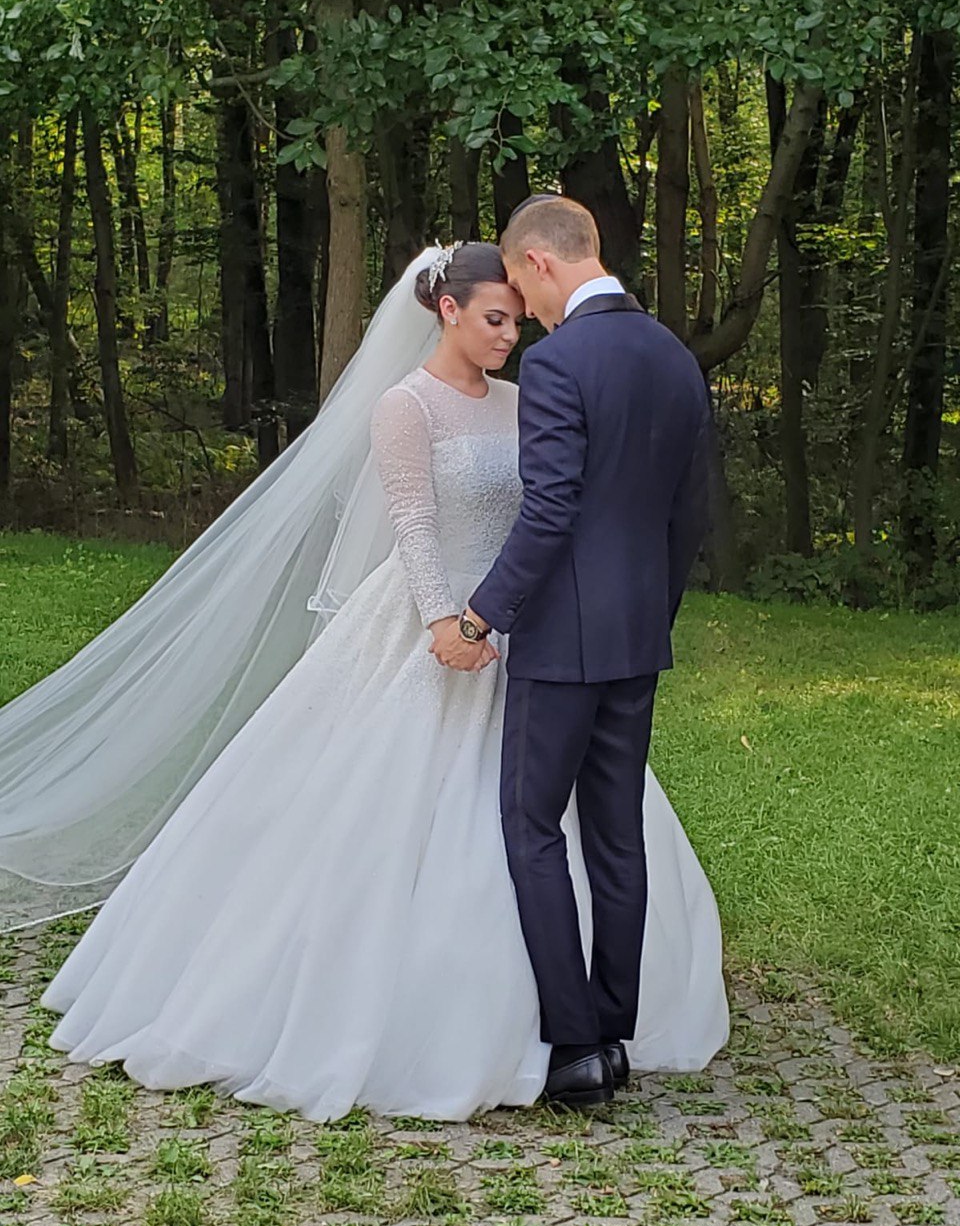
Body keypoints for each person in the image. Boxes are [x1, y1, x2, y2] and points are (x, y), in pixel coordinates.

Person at [26, 242, 726, 1122]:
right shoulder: (407, 407)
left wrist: (497, 618)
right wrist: (448, 622)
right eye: (494, 318)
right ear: (447, 310)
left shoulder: (527, 396)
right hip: (437, 624)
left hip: (535, 634)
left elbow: (558, 507)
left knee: (562, 820)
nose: (511, 334)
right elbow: (413, 524)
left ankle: (589, 1028)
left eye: (516, 318)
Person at [431, 197, 713, 1106]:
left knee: (531, 827)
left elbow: (550, 508)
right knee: (616, 835)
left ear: (541, 265)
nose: (526, 313)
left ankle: (575, 1046)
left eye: (523, 289)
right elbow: (688, 513)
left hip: (559, 643)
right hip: (639, 639)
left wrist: (480, 616)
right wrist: (650, 614)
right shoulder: (674, 356)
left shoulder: (560, 364)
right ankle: (616, 1035)